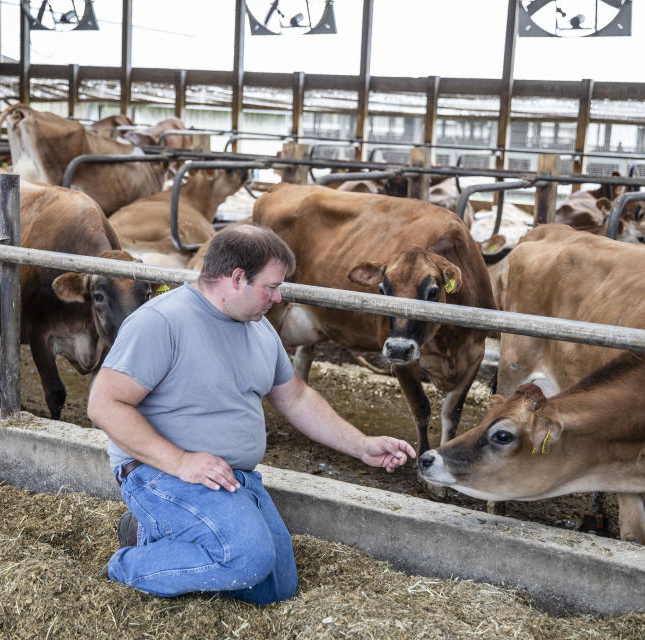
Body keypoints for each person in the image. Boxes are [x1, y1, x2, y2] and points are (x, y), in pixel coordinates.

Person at [87, 224, 416, 604]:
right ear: (237, 278)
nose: (278, 298)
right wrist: (181, 462)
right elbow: (104, 405)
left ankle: (162, 534)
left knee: (275, 587)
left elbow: (295, 398)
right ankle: (128, 563)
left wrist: (361, 445)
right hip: (159, 473)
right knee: (247, 558)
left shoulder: (259, 330)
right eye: (271, 286)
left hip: (231, 477)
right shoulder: (162, 321)